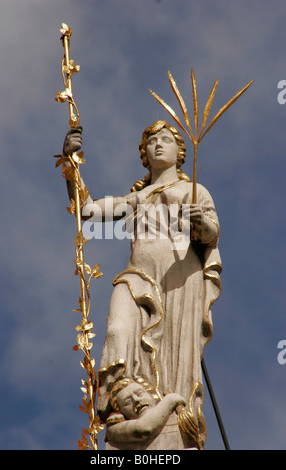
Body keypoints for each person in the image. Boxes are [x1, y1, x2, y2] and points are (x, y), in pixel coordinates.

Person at [63, 120, 222, 449]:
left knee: (172, 358)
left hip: (179, 280)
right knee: (119, 331)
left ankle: (166, 413)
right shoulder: (136, 198)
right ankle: (122, 406)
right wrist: (71, 165)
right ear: (144, 155)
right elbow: (89, 211)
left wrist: (199, 221)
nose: (158, 145)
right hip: (138, 275)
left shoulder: (194, 191)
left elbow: (210, 235)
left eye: (166, 140)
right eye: (152, 142)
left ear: (180, 152)